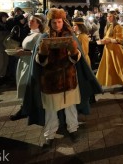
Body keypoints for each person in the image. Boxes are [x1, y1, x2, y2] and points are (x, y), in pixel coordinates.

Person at [22, 8, 102, 148]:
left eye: (59, 22)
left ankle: (73, 129)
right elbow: (39, 62)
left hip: (69, 79)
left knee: (70, 108)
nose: (57, 24)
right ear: (50, 22)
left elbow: (77, 60)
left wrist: (73, 52)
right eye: (54, 22)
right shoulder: (43, 37)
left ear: (63, 22)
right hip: (50, 81)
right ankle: (49, 135)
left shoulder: (71, 36)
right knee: (51, 110)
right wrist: (43, 53)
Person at [9, 14, 47, 121]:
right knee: (23, 84)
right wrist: (20, 49)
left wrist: (25, 52)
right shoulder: (31, 33)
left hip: (31, 62)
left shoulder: (41, 36)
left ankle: (26, 109)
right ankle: (25, 107)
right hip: (24, 61)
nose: (29, 23)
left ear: (39, 23)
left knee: (26, 85)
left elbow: (40, 51)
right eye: (29, 20)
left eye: (32, 21)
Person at [96, 11, 123, 90]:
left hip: (116, 50)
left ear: (114, 17)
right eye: (107, 16)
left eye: (110, 16)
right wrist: (102, 41)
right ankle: (100, 83)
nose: (108, 18)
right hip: (108, 51)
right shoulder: (107, 26)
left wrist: (110, 40)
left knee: (119, 68)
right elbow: (106, 37)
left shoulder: (118, 27)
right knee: (106, 67)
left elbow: (120, 39)